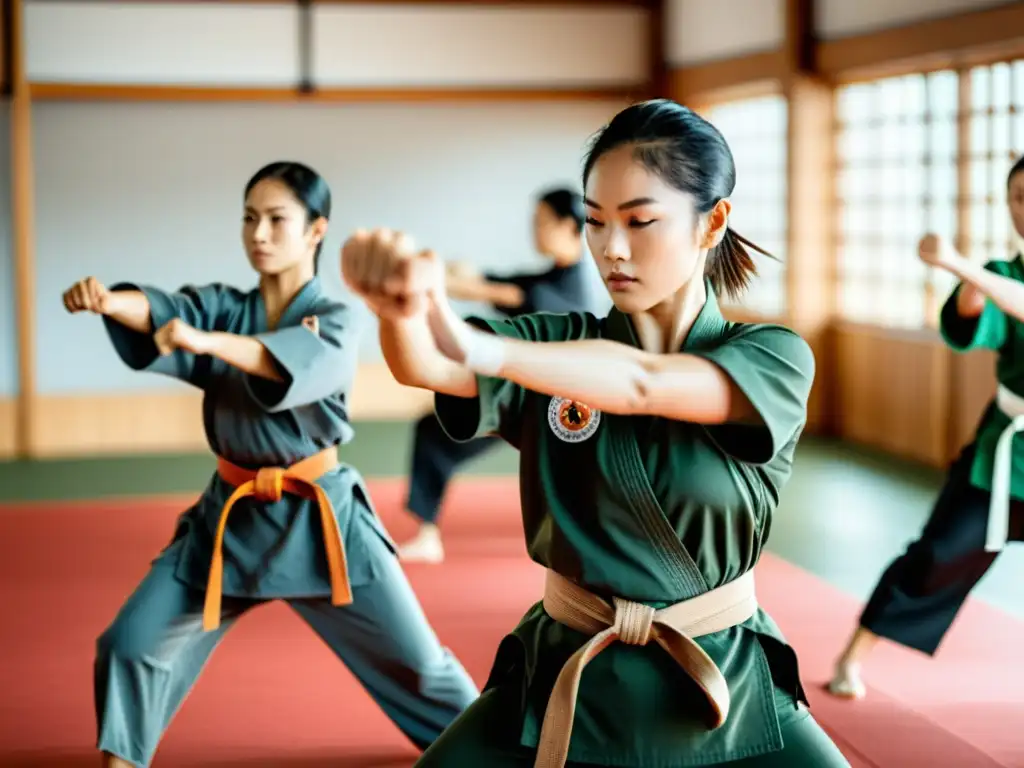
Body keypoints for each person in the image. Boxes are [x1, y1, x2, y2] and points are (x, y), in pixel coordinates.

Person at [342, 99, 850, 767]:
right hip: (564, 670)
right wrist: (398, 310)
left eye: (640, 221)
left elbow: (644, 383)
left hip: (722, 677)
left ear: (713, 221)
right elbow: (428, 364)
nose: (611, 247)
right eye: (595, 221)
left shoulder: (772, 356)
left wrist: (479, 346)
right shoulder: (557, 343)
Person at [62, 161, 479, 768]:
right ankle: (123, 760)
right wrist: (108, 300)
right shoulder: (223, 307)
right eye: (249, 218)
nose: (258, 233)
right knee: (130, 644)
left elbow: (272, 361)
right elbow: (162, 309)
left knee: (421, 665)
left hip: (324, 523)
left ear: (315, 230)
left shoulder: (337, 317)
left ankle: (497, 751)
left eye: (276, 220)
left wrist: (206, 344)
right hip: (229, 523)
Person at [828, 155, 1024, 701]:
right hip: (1006, 454)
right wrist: (969, 279)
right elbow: (975, 314)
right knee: (936, 555)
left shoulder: (987, 273)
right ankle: (851, 658)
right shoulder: (1002, 274)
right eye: (1020, 198)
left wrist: (962, 264)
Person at [400, 187, 597, 563]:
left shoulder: (562, 289)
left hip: (555, 407)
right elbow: (505, 285)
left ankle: (428, 535)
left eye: (542, 222)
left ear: (569, 226)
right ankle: (427, 533)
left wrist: (428, 277)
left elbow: (505, 292)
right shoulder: (551, 278)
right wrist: (452, 271)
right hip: (532, 400)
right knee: (433, 431)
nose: (534, 231)